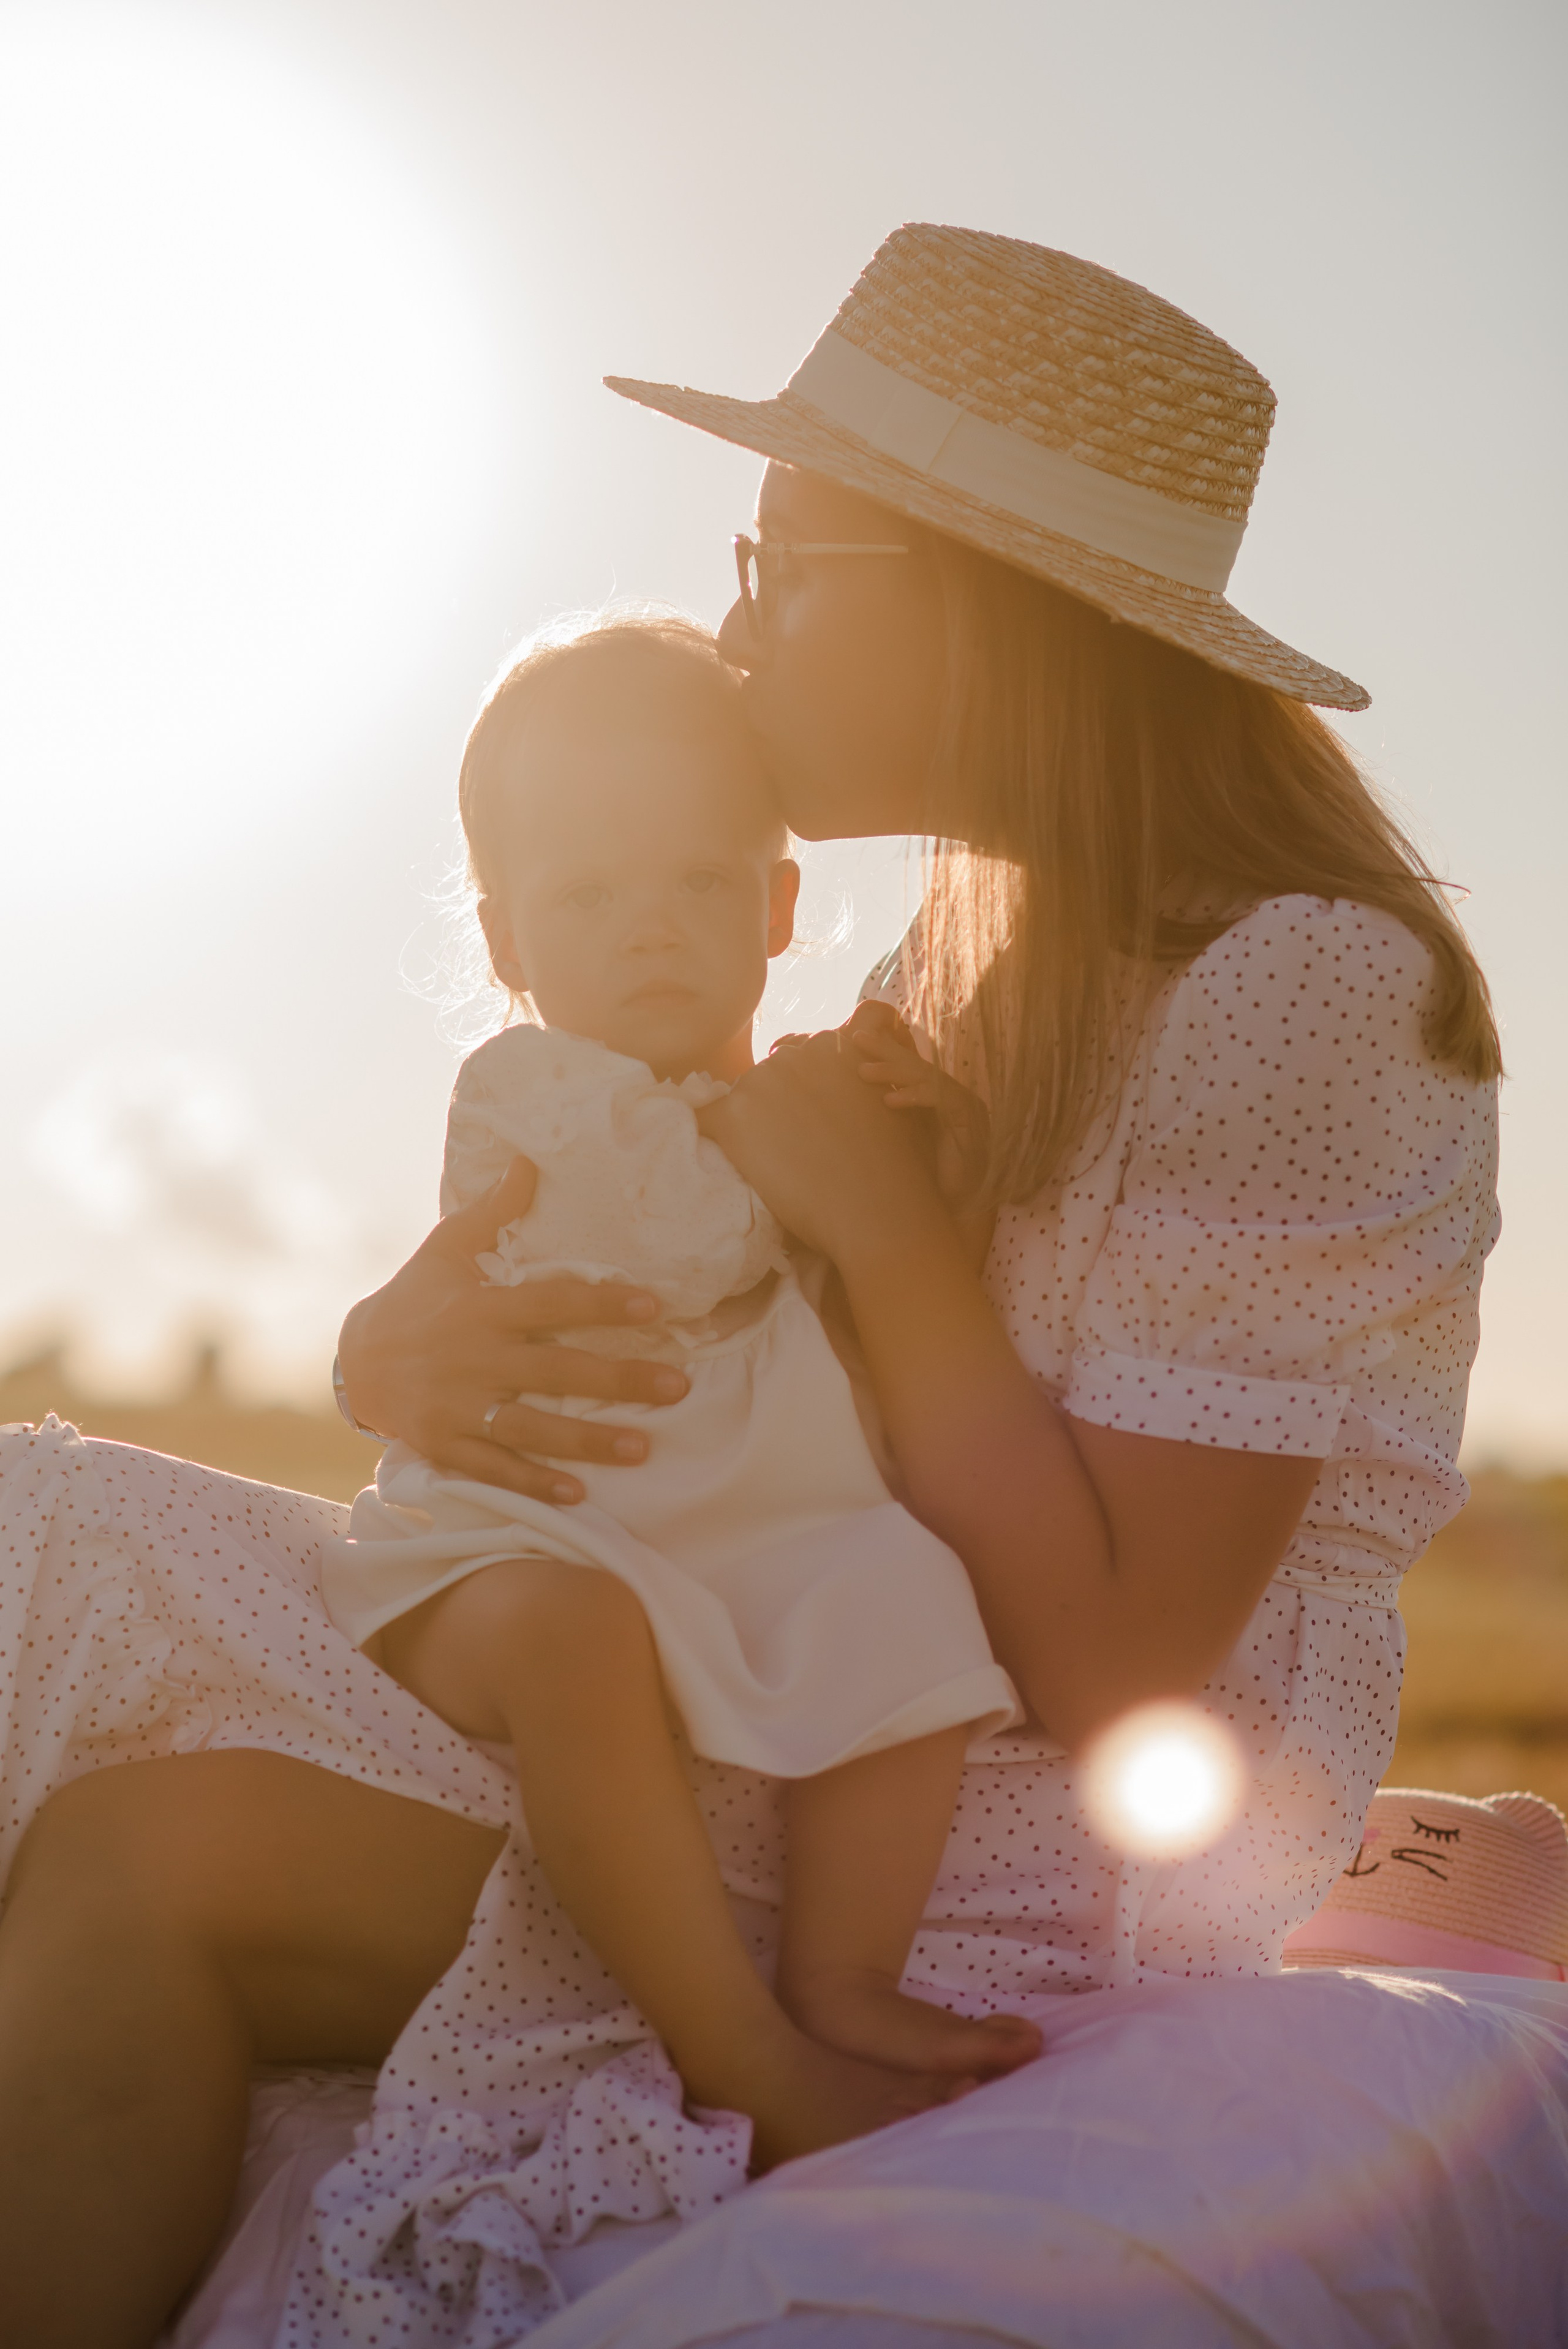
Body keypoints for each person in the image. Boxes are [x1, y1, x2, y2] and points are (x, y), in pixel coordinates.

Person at [0, 224, 1500, 2349]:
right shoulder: (987, 952)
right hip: (774, 1677)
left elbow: (1124, 1676)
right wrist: (399, 1350)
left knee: (145, 1832)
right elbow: (715, 1301)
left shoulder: (1303, 980)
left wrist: (887, 1236)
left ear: (980, 604)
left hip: (978, 1827)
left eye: (783, 562)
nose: (731, 628)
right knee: (51, 1552)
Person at [319, 611, 1031, 2165]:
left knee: (902, 1590)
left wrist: (931, 1154)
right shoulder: (534, 1097)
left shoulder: (794, 1105)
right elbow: (690, 1245)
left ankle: (840, 1974)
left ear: (776, 908)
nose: (648, 929)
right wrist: (818, 1152)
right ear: (506, 945)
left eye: (698, 883)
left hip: (752, 1520)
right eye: (588, 895)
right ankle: (739, 2052)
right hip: (533, 1526)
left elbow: (910, 1292)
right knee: (578, 1638)